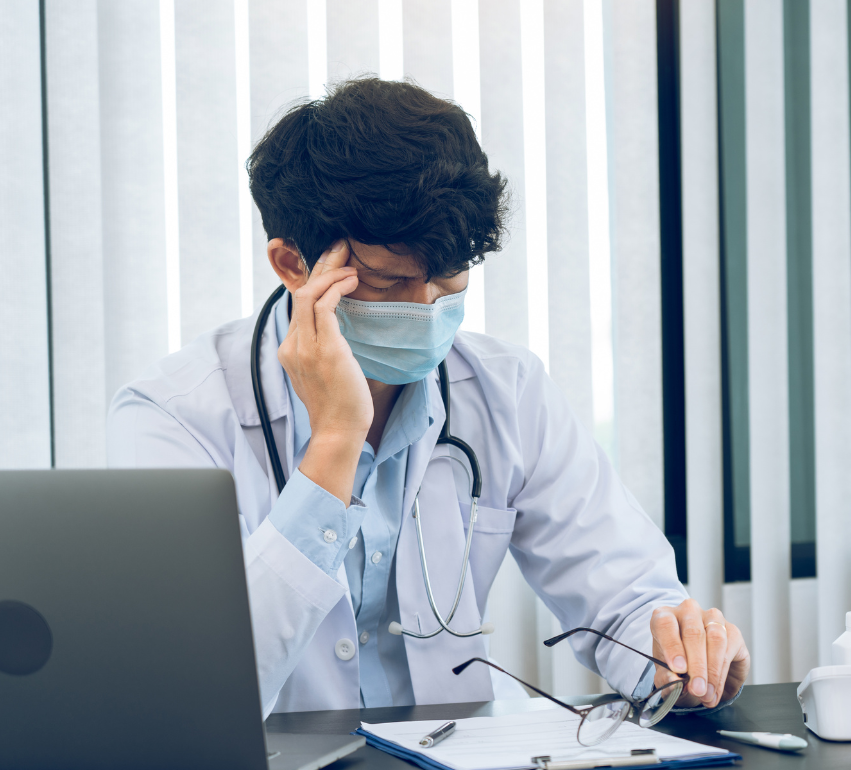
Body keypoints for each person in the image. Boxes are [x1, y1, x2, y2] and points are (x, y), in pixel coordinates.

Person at [107, 77, 749, 717]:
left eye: (447, 278)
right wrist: (334, 444)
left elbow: (626, 599)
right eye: (389, 283)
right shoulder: (174, 417)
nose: (426, 309)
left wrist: (676, 656)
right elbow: (187, 692)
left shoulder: (507, 389)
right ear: (292, 264)